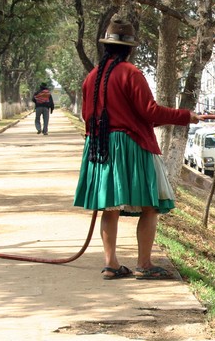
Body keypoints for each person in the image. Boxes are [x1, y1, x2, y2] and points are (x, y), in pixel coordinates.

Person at [73, 16, 199, 281]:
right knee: (150, 206)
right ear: (130, 49)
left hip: (100, 147)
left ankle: (111, 264)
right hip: (131, 145)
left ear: (106, 46)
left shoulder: (92, 77)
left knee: (109, 207)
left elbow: (87, 117)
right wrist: (186, 116)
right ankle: (144, 264)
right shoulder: (131, 73)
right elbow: (149, 112)